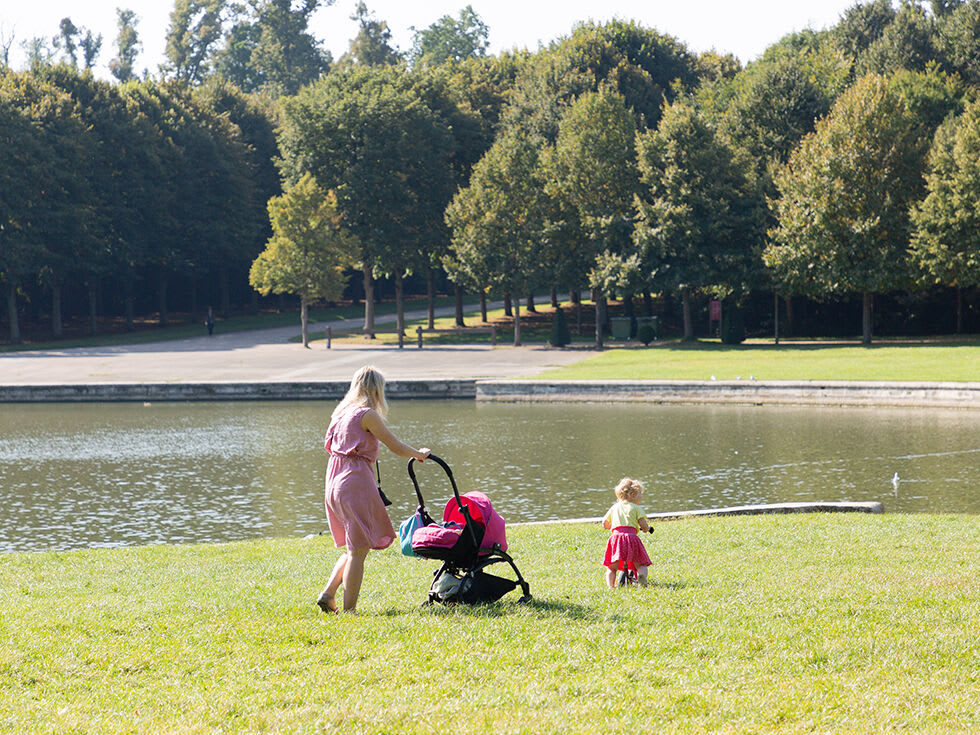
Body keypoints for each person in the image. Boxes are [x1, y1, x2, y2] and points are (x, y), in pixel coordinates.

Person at [317, 365, 430, 614]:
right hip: (354, 482)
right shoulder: (366, 415)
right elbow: (395, 445)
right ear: (377, 389)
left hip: (334, 482)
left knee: (355, 546)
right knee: (358, 550)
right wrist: (419, 454)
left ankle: (328, 594)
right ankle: (350, 611)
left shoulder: (339, 414)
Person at [601, 477, 653, 588]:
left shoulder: (614, 507)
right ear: (633, 495)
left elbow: (604, 523)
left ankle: (611, 587)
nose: (641, 497)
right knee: (640, 564)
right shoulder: (636, 508)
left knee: (611, 567)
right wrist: (647, 528)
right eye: (640, 494)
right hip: (631, 538)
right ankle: (642, 580)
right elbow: (643, 524)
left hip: (616, 538)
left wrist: (611, 527)